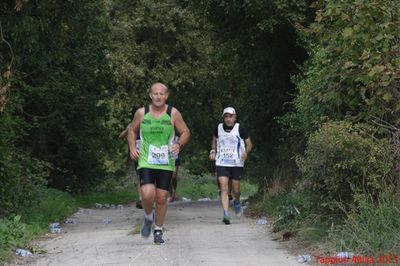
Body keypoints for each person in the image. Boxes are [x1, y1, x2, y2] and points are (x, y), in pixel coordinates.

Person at [128, 82, 190, 244]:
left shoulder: (173, 113)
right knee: (147, 194)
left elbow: (185, 132)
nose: (158, 96)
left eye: (161, 94)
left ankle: (158, 230)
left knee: (162, 197)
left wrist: (178, 144)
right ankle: (149, 217)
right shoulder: (142, 113)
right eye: (155, 93)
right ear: (150, 95)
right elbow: (132, 130)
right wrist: (131, 147)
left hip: (166, 161)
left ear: (166, 96)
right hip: (146, 160)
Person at [209, 107, 253, 225]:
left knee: (236, 190)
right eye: (226, 117)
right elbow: (214, 141)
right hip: (222, 162)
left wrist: (246, 152)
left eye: (231, 116)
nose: (228, 119)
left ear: (235, 117)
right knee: (223, 187)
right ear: (224, 118)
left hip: (236, 162)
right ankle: (226, 213)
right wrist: (213, 151)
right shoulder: (218, 128)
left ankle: (237, 202)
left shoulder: (240, 128)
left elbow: (249, 144)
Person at [119, 121, 143, 209]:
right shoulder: (133, 124)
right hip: (137, 154)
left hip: (150, 153)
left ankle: (151, 199)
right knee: (140, 176)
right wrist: (128, 130)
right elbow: (121, 136)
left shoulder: (151, 122)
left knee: (151, 175)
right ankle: (141, 199)